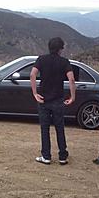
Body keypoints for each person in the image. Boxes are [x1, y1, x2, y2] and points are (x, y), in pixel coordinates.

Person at [30, 37, 76, 165]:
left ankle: (46, 156)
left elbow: (32, 74)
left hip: (43, 100)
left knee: (45, 129)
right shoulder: (64, 62)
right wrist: (72, 97)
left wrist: (35, 93)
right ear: (60, 49)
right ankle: (62, 156)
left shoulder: (41, 59)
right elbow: (71, 79)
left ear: (49, 47)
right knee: (59, 128)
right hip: (58, 101)